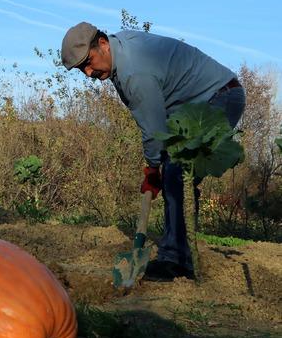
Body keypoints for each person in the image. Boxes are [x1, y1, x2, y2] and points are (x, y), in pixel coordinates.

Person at [60, 22, 246, 281]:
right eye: (82, 69)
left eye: (89, 62)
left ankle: (176, 260)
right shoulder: (119, 51)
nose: (89, 72)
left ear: (102, 43)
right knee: (174, 171)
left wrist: (152, 167)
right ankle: (179, 252)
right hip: (200, 101)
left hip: (220, 97)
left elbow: (153, 128)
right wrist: (156, 165)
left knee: (176, 172)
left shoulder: (134, 72)